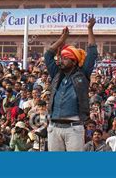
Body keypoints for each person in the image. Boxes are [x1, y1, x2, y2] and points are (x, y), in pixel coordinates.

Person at [44, 18, 98, 151]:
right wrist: (62, 39)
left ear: (74, 61)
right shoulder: (57, 74)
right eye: (61, 57)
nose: (61, 60)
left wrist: (90, 29)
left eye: (65, 58)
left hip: (74, 128)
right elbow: (47, 55)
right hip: (54, 127)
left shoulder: (82, 74)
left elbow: (92, 53)